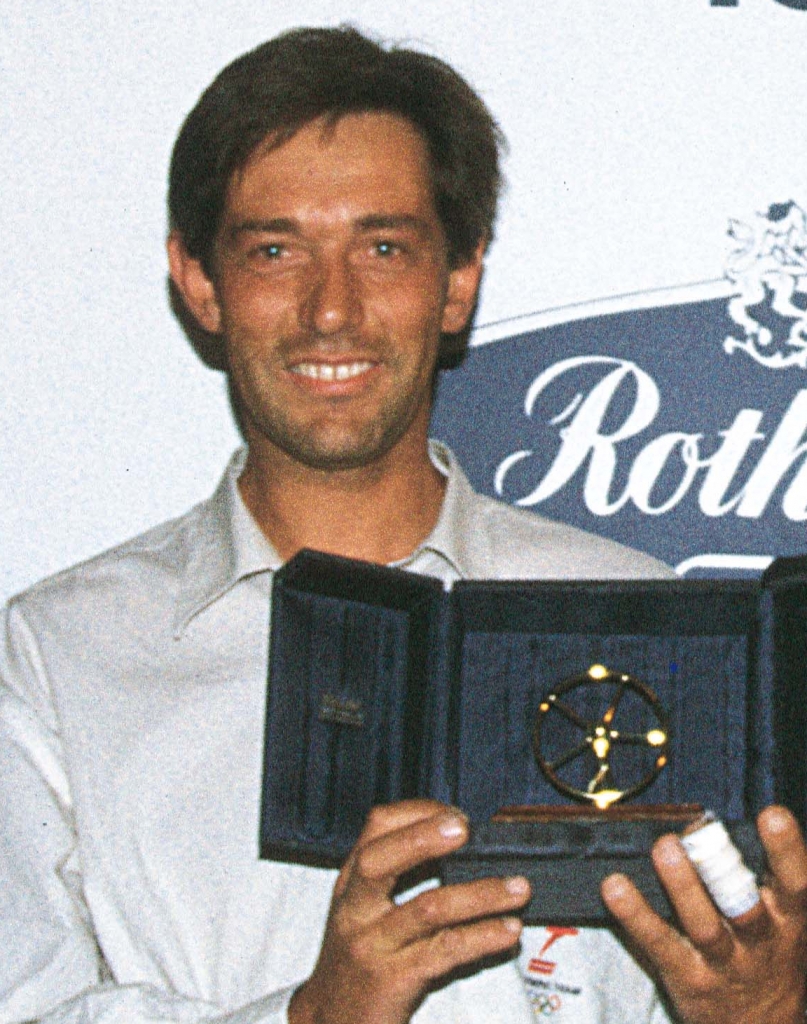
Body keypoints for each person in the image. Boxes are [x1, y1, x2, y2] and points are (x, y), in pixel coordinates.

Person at [0, 25, 805, 1024]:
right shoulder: (60, 654)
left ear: (458, 280)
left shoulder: (638, 617)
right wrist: (312, 1019)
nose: (330, 310)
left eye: (383, 248)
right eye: (274, 250)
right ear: (200, 281)